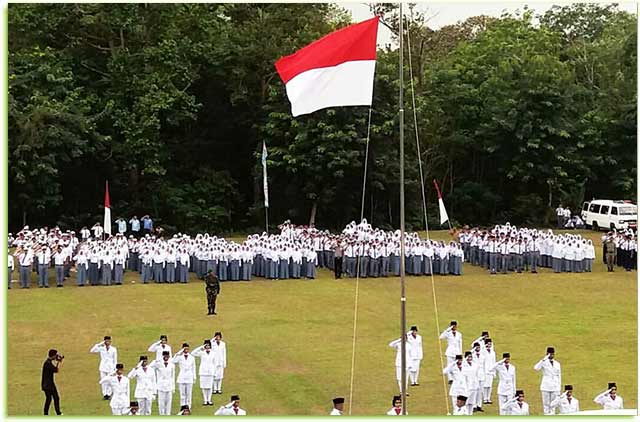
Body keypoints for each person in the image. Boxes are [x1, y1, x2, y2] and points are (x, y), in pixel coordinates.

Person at [533, 346, 561, 415]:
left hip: (555, 386)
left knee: (553, 405)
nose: (551, 355)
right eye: (550, 354)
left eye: (552, 354)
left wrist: (559, 387)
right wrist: (543, 360)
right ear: (547, 354)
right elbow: (536, 368)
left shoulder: (557, 364)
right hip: (546, 386)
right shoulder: (544, 362)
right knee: (546, 404)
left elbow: (559, 376)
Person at [151, 350, 176, 416]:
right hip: (161, 385)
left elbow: (172, 376)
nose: (166, 357)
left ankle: (168, 414)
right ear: (163, 356)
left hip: (169, 385)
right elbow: (150, 367)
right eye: (165, 356)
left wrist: (173, 387)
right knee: (161, 402)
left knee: (168, 402)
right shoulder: (158, 364)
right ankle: (161, 414)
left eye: (167, 356)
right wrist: (155, 361)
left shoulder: (172, 365)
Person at [191, 340, 216, 406]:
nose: (207, 347)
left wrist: (214, 372)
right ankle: (205, 400)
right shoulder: (202, 353)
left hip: (210, 372)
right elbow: (193, 353)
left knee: (210, 387)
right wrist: (201, 347)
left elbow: (215, 363)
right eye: (206, 345)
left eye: (208, 345)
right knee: (204, 386)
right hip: (203, 371)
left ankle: (209, 400)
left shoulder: (213, 353)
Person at [172, 343, 197, 409]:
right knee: (182, 394)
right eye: (184, 349)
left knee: (189, 393)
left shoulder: (192, 358)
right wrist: (178, 353)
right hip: (182, 377)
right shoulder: (180, 357)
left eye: (187, 349)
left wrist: (194, 377)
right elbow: (173, 361)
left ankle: (188, 406)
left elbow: (193, 368)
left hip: (189, 377)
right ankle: (182, 405)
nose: (186, 350)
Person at [42, 349, 64, 415]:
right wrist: (58, 362)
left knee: (49, 399)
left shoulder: (47, 362)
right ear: (53, 355)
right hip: (49, 385)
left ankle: (46, 413)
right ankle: (58, 413)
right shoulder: (48, 363)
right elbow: (56, 370)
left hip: (46, 385)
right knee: (55, 398)